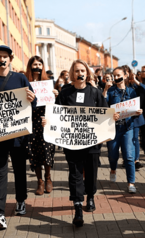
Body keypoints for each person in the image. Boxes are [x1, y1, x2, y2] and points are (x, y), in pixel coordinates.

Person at [0, 45, 36, 229]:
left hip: (18, 136)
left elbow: (32, 106)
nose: (2, 60)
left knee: (19, 170)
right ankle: (0, 212)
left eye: (5, 57)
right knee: (1, 173)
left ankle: (20, 201)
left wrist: (32, 100)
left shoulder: (20, 78)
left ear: (10, 59)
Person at [45, 59, 110, 227]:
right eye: (76, 71)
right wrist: (49, 122)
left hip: (92, 143)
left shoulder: (95, 93)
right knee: (75, 174)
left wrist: (113, 117)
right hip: (72, 143)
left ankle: (90, 197)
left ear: (87, 73)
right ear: (72, 74)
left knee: (91, 172)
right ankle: (78, 207)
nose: (80, 73)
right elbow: (57, 114)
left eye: (82, 70)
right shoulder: (65, 93)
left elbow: (105, 112)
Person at [104, 66, 143, 194]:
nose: (116, 78)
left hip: (128, 127)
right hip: (113, 129)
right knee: (113, 154)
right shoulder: (111, 91)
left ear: (125, 75)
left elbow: (135, 108)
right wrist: (105, 90)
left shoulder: (132, 91)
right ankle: (113, 169)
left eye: (119, 75)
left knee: (129, 156)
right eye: (114, 76)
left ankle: (131, 183)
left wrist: (138, 112)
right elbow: (103, 108)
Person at [25, 56, 57, 195]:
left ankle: (48, 178)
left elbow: (55, 106)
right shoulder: (25, 83)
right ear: (30, 66)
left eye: (39, 64)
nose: (37, 66)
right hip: (31, 122)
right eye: (34, 64)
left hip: (45, 121)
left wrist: (56, 95)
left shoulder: (48, 83)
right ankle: (39, 181)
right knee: (34, 152)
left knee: (47, 150)